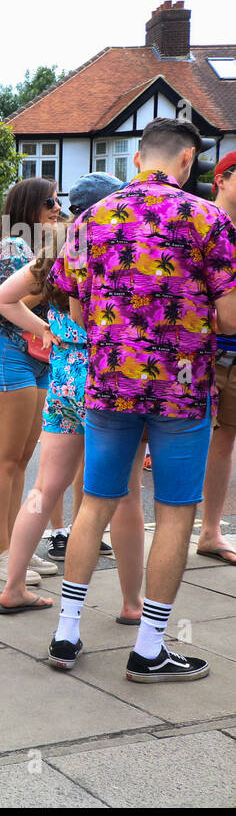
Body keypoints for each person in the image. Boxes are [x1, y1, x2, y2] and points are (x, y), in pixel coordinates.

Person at [48, 117, 236, 682]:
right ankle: (150, 647)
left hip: (109, 385)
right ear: (187, 161)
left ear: (137, 159)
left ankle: (65, 634)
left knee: (96, 503)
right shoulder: (209, 220)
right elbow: (229, 317)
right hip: (181, 389)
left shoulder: (91, 219)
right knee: (176, 512)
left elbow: (75, 310)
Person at [0, 173, 144, 619]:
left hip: (63, 377)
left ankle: (12, 586)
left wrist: (50, 331)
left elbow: (2, 298)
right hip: (107, 379)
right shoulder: (118, 248)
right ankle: (133, 603)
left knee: (44, 486)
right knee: (127, 493)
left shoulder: (58, 247)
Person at [0, 178, 62, 584]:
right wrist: (45, 287)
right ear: (28, 206)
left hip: (34, 356)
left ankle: (14, 549)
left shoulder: (37, 248)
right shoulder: (12, 247)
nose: (56, 208)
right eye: (50, 201)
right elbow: (3, 304)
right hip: (10, 354)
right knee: (5, 458)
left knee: (21, 459)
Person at [197, 150, 236, 565]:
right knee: (170, 439)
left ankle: (210, 531)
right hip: (202, 352)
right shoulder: (203, 223)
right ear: (221, 180)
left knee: (225, 442)